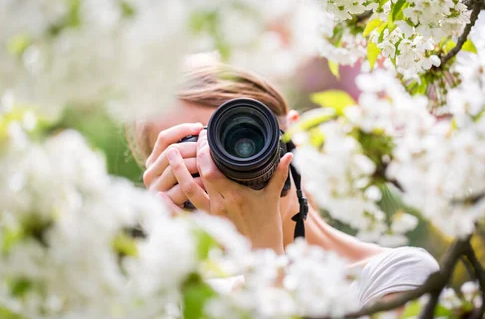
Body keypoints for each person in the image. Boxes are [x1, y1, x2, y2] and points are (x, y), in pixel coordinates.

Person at [127, 59, 439, 308]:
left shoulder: (396, 276)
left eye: (233, 134)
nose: (217, 169)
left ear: (293, 135)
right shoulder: (198, 305)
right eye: (193, 156)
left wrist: (264, 252)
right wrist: (169, 256)